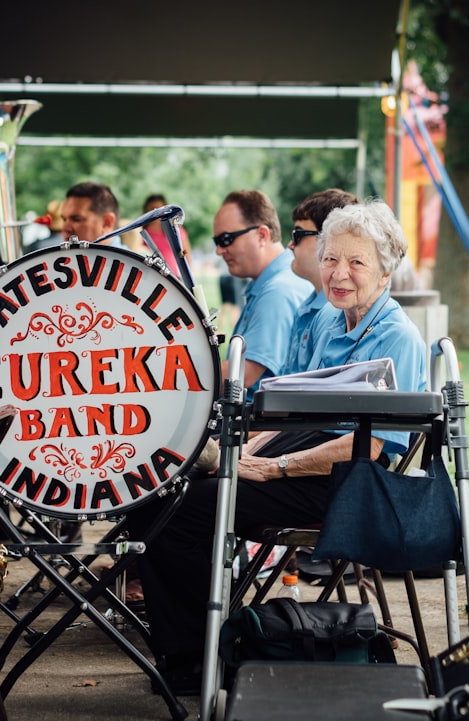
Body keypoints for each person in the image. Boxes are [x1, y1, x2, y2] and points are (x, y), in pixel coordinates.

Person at [132, 199, 427, 695]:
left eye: (357, 262)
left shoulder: (397, 336)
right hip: (304, 457)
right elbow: (289, 411)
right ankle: (195, 647)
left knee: (186, 511)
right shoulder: (333, 322)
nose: (339, 273)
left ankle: (199, 660)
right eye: (331, 258)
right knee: (161, 489)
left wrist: (274, 468)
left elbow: (372, 446)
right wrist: (244, 455)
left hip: (350, 483)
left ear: (385, 270)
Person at [215, 190, 313, 392]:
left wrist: (177, 377)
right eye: (217, 242)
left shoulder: (277, 292)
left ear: (262, 235)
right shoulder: (275, 283)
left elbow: (243, 375)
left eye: (226, 239)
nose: (219, 250)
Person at [284, 188, 359, 374]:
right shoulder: (308, 306)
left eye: (298, 234)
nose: (290, 244)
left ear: (328, 239)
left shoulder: (340, 314)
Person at [60, 181, 126, 248]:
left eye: (76, 219)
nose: (65, 228)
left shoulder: (128, 258)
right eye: (64, 219)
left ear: (107, 222)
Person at [142, 193, 192, 272]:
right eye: (152, 209)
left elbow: (187, 252)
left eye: (159, 210)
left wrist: (182, 256)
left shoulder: (175, 230)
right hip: (150, 275)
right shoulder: (141, 233)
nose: (156, 213)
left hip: (175, 277)